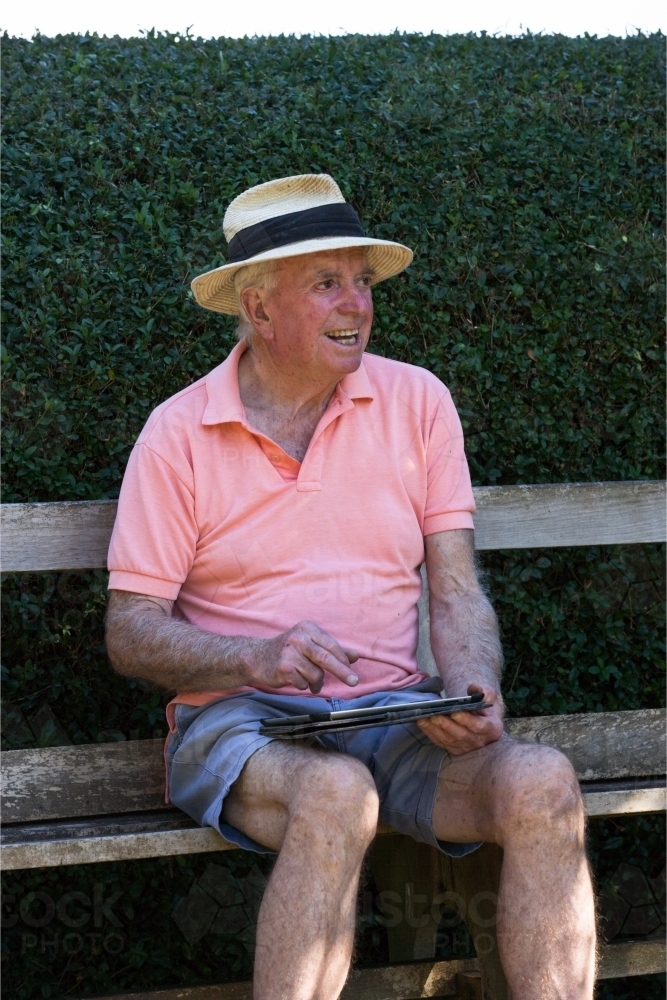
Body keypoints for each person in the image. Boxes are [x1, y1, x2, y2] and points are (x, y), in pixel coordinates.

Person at [105, 174, 596, 1000]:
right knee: (336, 793)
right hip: (241, 724)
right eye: (327, 282)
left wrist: (471, 686)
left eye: (362, 282)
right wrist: (256, 656)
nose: (358, 304)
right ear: (258, 310)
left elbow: (454, 589)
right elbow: (131, 630)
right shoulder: (177, 434)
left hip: (391, 716)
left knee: (542, 782)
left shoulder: (417, 403)